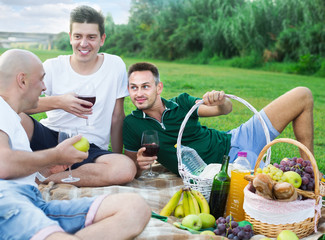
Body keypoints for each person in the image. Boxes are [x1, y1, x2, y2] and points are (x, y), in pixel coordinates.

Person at [0, 49, 151, 239]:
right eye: (41, 79)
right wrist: (56, 154)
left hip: (34, 202)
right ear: (22, 81)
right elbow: (4, 165)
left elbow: (14, 169)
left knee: (135, 208)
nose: (45, 87)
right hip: (7, 201)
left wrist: (48, 169)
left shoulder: (10, 116)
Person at [123, 62, 315, 177]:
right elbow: (132, 170)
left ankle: (311, 171)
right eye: (133, 87)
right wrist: (139, 166)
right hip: (223, 172)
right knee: (278, 189)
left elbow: (225, 110)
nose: (139, 93)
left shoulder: (181, 103)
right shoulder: (132, 124)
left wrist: (220, 101)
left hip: (236, 139)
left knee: (302, 94)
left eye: (145, 86)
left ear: (158, 88)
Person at [20, 5, 136, 187]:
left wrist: (117, 154)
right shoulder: (52, 66)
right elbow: (19, 105)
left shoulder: (115, 66)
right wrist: (59, 102)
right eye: (78, 36)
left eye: (91, 37)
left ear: (102, 39)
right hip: (51, 137)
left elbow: (117, 117)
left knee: (125, 169)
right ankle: (47, 163)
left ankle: (44, 176)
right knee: (13, 117)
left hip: (89, 147)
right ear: (70, 38)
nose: (83, 43)